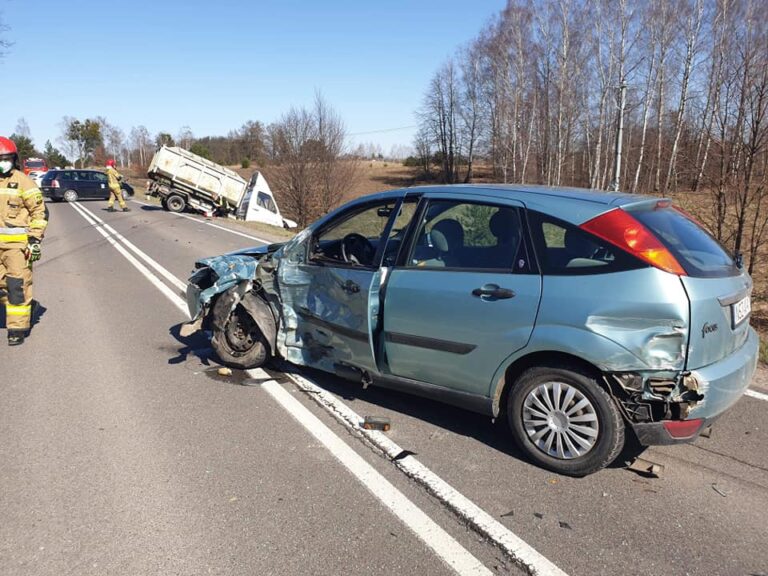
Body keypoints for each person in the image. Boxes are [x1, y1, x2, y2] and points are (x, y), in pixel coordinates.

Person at [0, 136, 47, 345]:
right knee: (4, 288)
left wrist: (34, 239)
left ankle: (17, 329)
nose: (3, 162)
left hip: (17, 247)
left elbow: (39, 212)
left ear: (14, 158)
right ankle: (30, 306)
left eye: (6, 158)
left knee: (16, 285)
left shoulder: (22, 181)